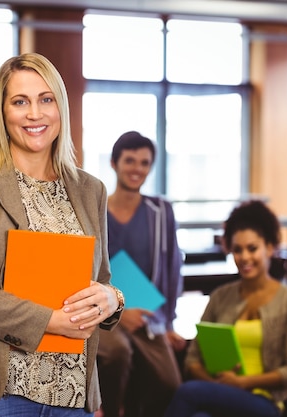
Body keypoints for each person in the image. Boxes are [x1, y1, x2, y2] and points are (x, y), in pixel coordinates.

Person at [0, 52, 125, 417]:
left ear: (60, 108)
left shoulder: (91, 190)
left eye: (45, 99)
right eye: (20, 101)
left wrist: (112, 299)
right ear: (2, 112)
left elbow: (100, 282)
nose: (34, 114)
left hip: (72, 392)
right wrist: (50, 322)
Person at [164, 200, 287, 417]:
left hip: (265, 402)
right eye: (237, 250)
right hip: (219, 393)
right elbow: (192, 361)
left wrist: (242, 383)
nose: (244, 257)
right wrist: (216, 386)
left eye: (252, 248)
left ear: (269, 247)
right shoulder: (221, 297)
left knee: (188, 392)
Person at [96, 131, 185, 417]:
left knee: (170, 382)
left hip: (147, 314)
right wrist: (119, 313)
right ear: (114, 163)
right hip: (104, 314)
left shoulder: (160, 211)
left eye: (144, 163)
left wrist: (169, 322)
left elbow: (172, 267)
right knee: (117, 354)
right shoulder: (94, 209)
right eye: (130, 161)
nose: (137, 169)